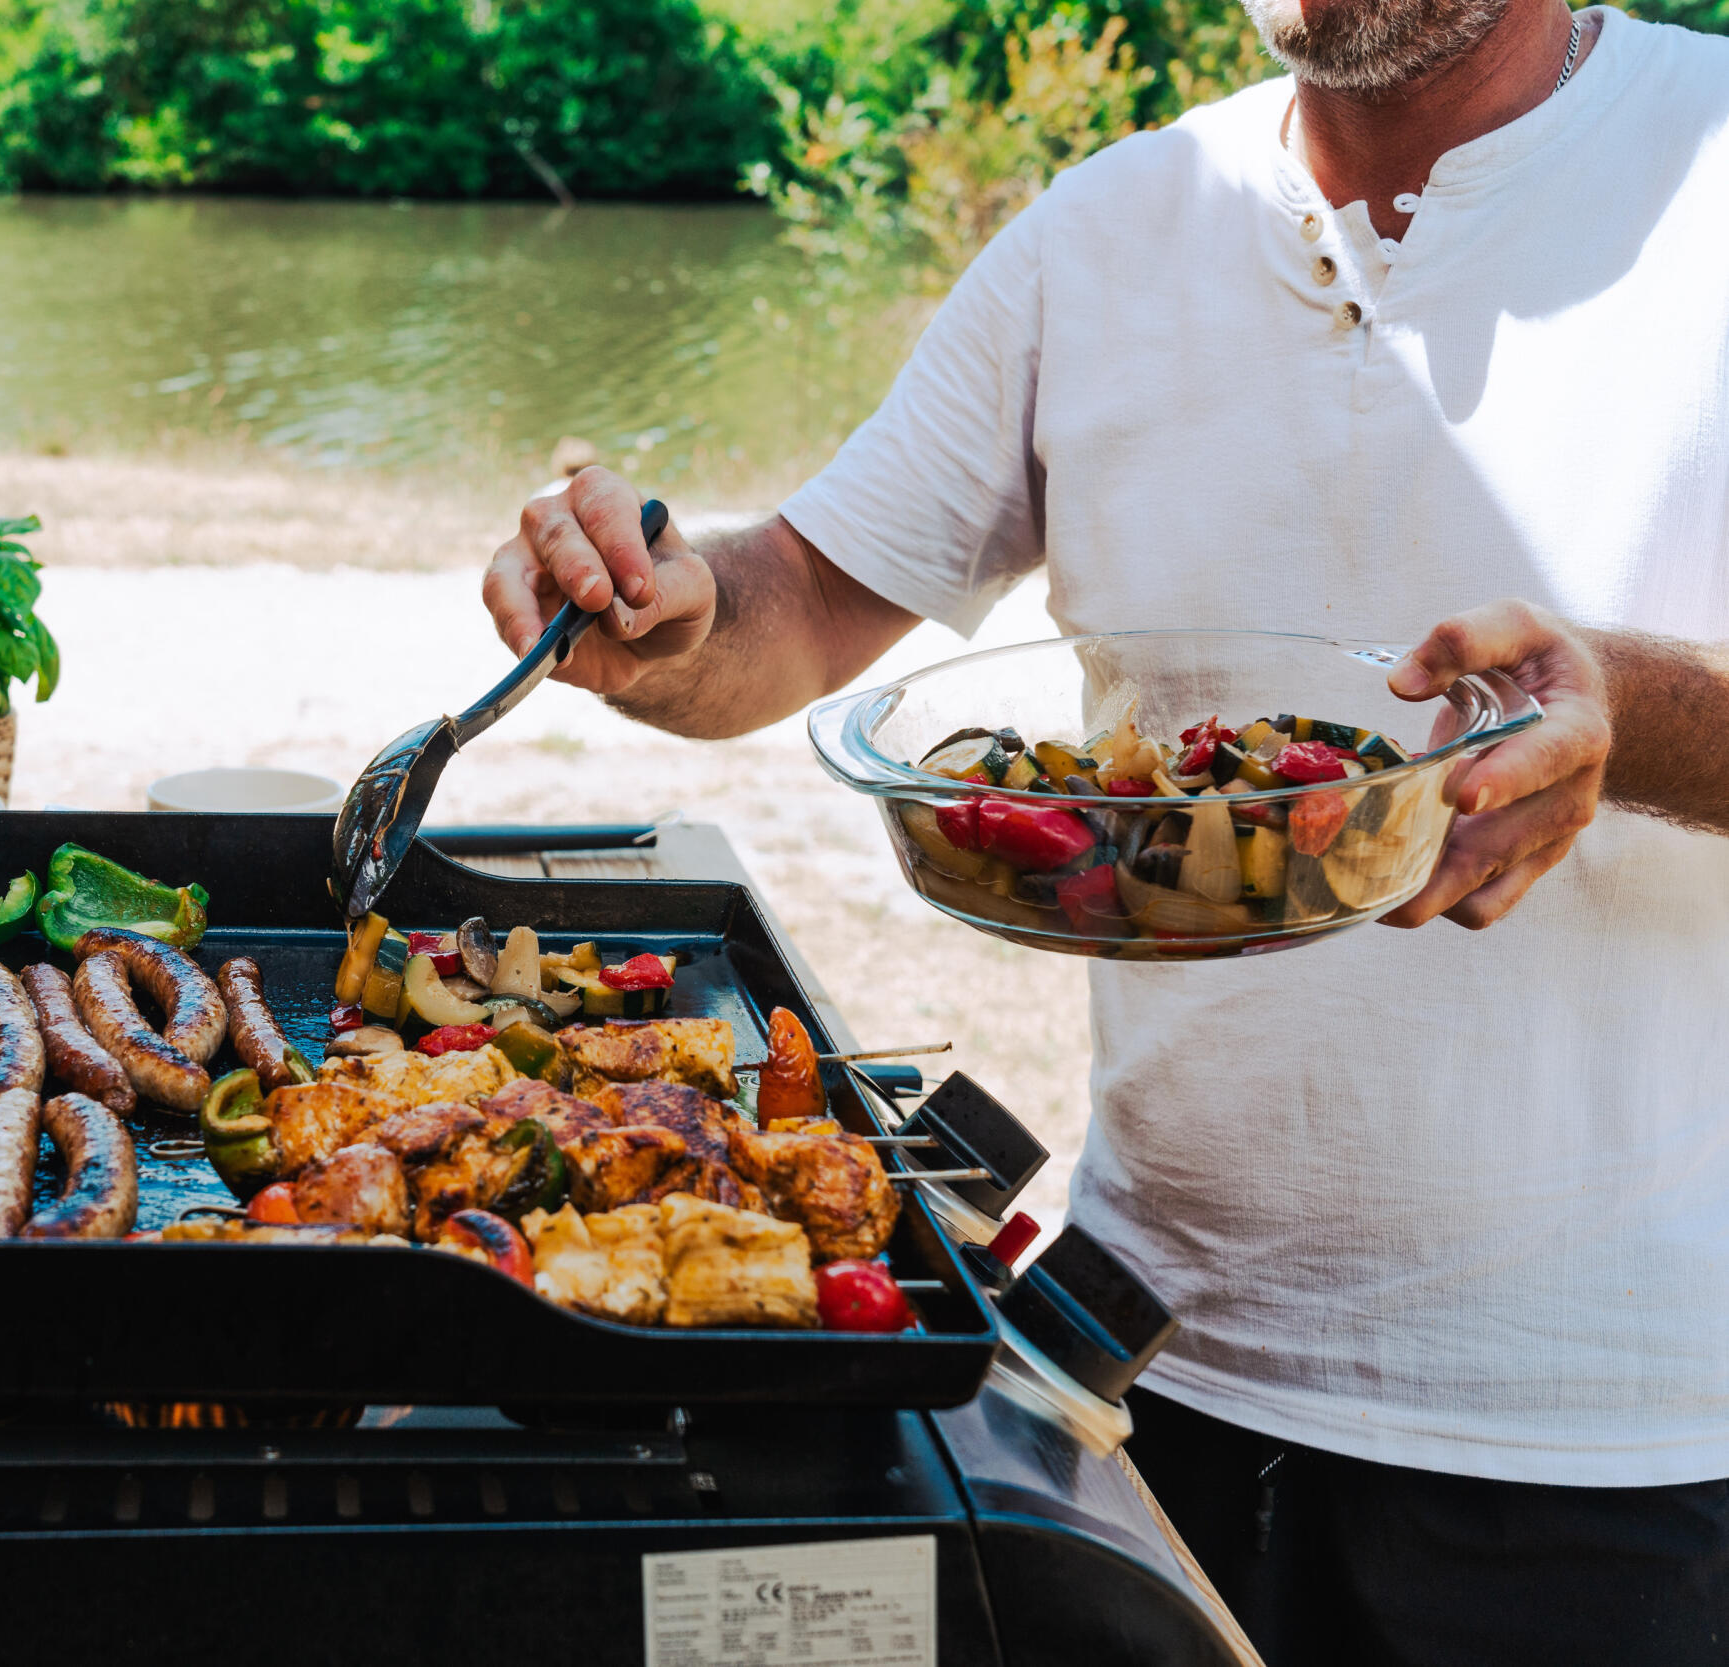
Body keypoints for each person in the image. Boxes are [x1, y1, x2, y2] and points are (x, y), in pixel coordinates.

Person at [479, 1, 1729, 1660]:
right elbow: (805, 599)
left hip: (1616, 1438)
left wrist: (1635, 709)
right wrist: (667, 614)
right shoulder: (1111, 228)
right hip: (1130, 1372)